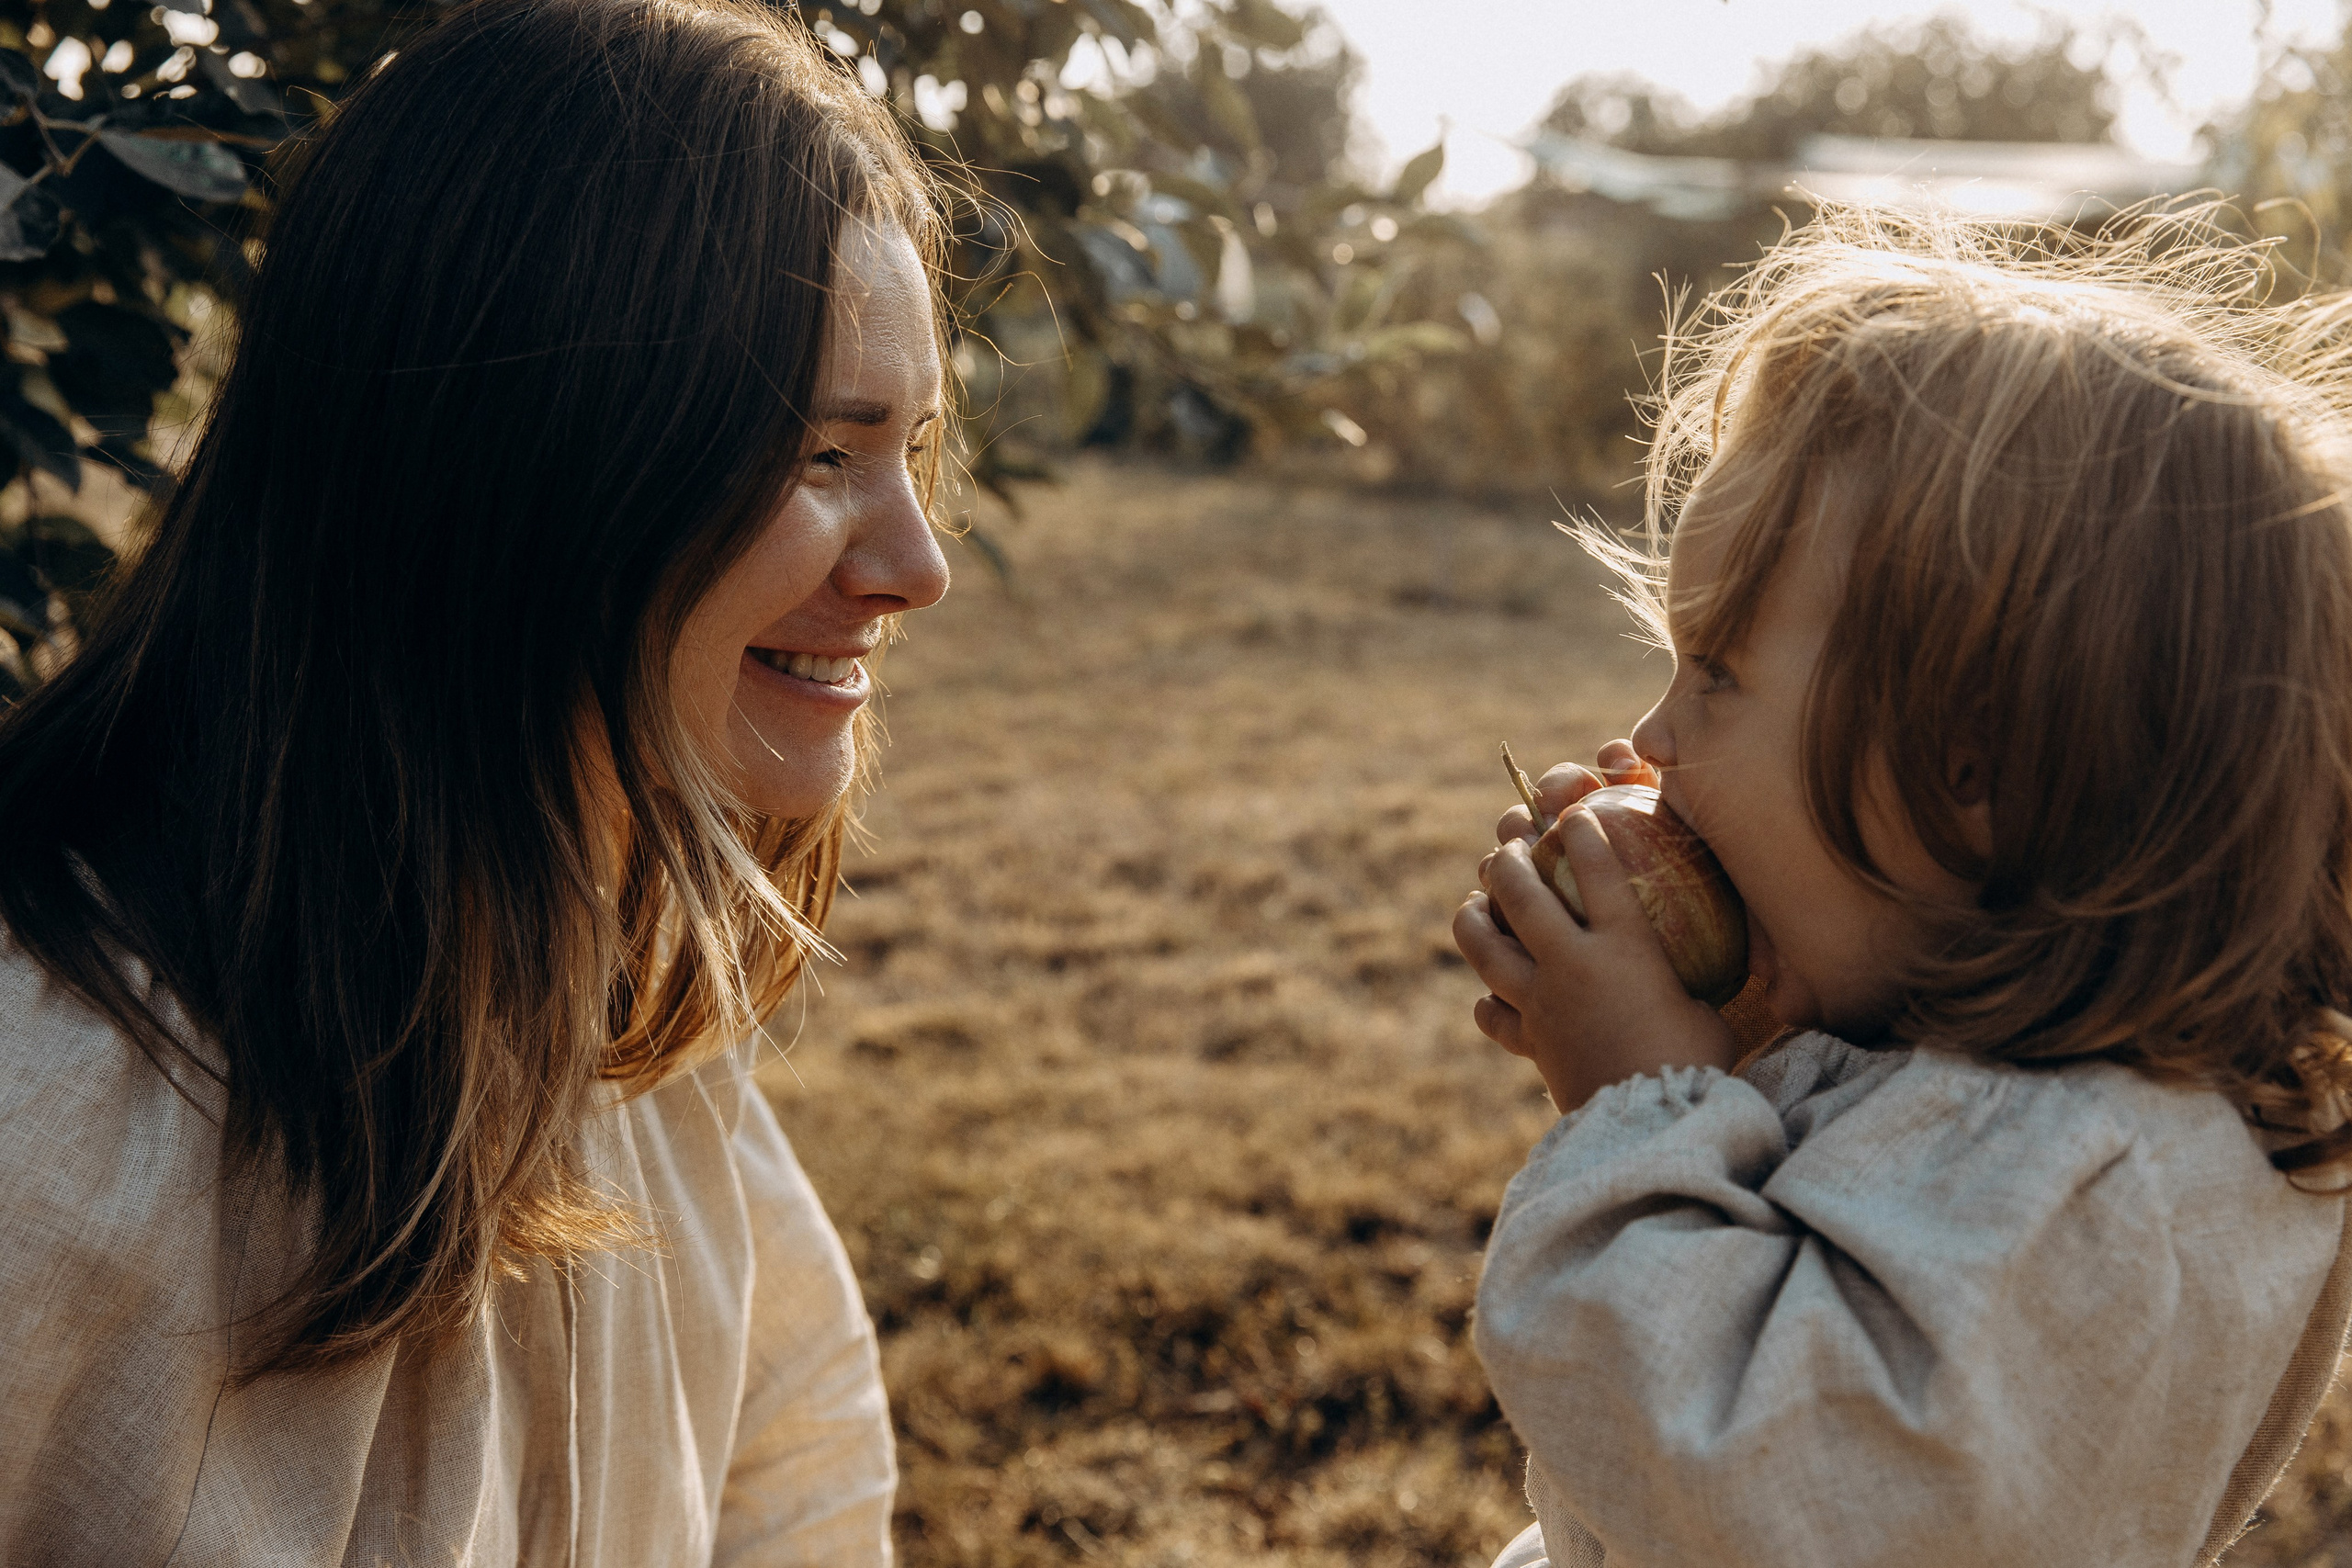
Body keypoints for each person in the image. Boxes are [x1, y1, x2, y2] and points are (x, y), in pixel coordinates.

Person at [0, 0, 949, 1561]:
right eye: (822, 456)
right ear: (523, 466)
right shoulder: (55, 1128)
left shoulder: (616, 990)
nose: (919, 569)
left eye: (910, 452)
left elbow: (796, 1454)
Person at [1453, 205, 2352, 1568]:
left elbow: (1752, 1485)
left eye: (1719, 674)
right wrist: (1736, 1056)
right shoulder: (2008, 1060)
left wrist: (1639, 1101)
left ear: (1972, 768)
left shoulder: (2086, 1193)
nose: (1652, 742)